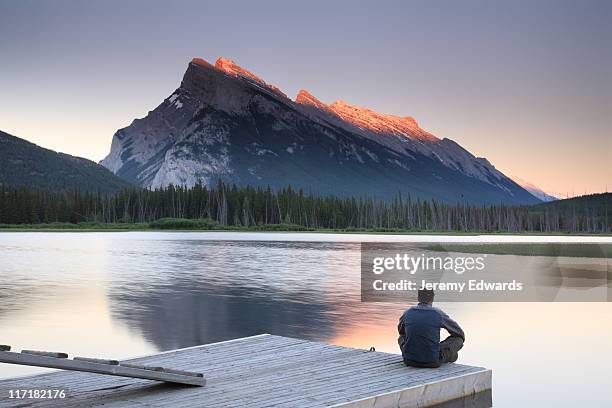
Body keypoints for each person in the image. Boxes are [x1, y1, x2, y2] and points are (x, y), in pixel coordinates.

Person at [397, 289, 465, 368]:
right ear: (432, 298)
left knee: (401, 337)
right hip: (432, 361)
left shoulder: (408, 313)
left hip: (409, 360)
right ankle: (449, 356)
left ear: (418, 298)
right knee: (458, 339)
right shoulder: (438, 314)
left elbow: (401, 331)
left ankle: (414, 353)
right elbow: (459, 333)